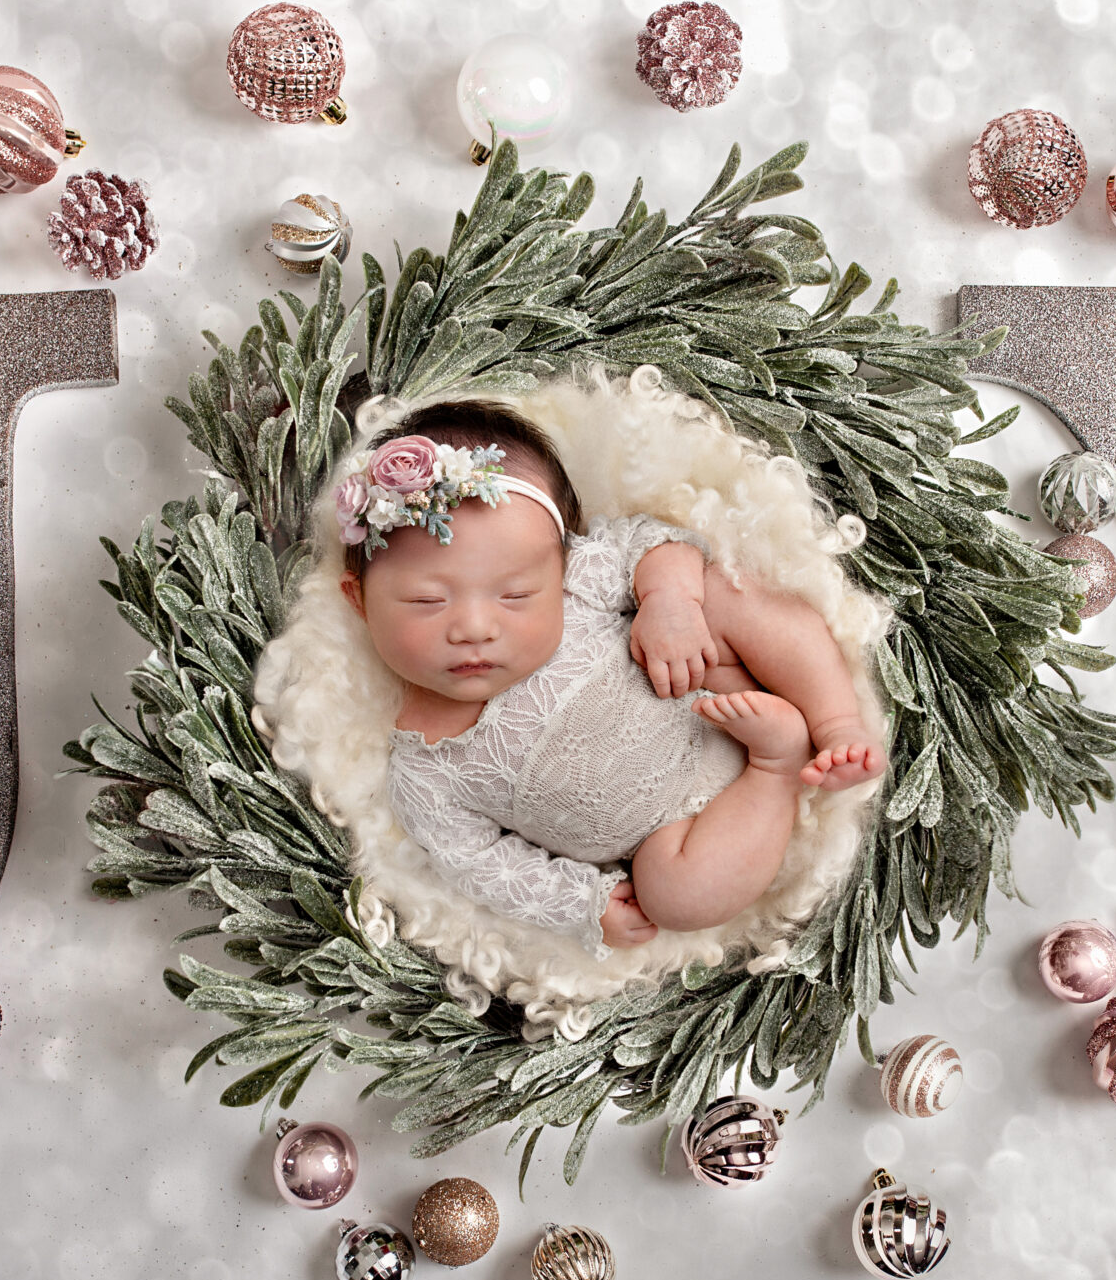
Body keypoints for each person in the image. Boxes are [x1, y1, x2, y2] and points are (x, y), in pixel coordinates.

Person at [335, 400, 883, 955]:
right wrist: (583, 906)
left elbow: (651, 540)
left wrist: (669, 599)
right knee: (675, 900)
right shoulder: (423, 772)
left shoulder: (580, 585)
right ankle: (779, 765)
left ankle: (837, 721)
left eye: (516, 595)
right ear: (359, 600)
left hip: (714, 675)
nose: (475, 628)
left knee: (728, 593)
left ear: (562, 563)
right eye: (427, 601)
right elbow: (483, 866)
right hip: (675, 837)